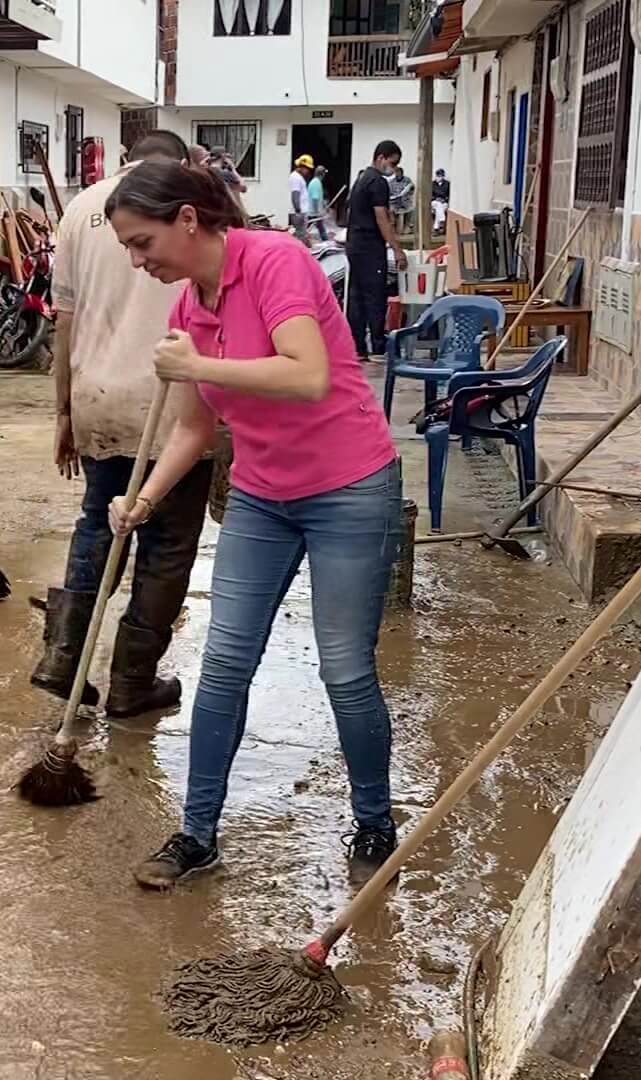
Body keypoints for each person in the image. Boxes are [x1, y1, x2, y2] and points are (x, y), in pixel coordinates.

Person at [103, 162, 402, 890]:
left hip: (349, 486)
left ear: (187, 218)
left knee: (345, 668)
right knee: (226, 665)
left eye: (142, 244)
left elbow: (308, 376)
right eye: (128, 250)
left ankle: (375, 824)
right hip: (262, 497)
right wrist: (143, 497)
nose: (139, 263)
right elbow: (195, 429)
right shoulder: (188, 311)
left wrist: (202, 361)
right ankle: (197, 832)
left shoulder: (276, 261)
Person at [34, 129, 212, 718]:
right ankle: (133, 682)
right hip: (172, 399)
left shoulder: (84, 206)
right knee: (166, 545)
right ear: (179, 169)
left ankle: (63, 659)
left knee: (98, 523)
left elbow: (64, 319)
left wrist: (62, 409)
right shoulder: (197, 215)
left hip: (97, 394)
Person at [345, 140, 411, 360]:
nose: (392, 168)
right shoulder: (377, 182)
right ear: (381, 157)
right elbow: (381, 218)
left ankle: (358, 347)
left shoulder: (361, 179)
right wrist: (397, 249)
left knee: (357, 297)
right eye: (392, 163)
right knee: (374, 296)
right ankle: (378, 347)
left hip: (354, 244)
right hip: (369, 247)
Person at [288, 154, 315, 235]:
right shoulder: (295, 177)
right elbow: (295, 195)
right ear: (302, 167)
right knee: (300, 236)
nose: (308, 171)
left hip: (301, 212)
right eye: (307, 169)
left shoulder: (298, 177)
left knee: (301, 235)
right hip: (299, 213)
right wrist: (298, 212)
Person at [306, 164, 331, 245]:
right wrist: (318, 212)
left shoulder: (314, 182)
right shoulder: (316, 183)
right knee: (321, 229)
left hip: (312, 211)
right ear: (322, 174)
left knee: (316, 228)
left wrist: (324, 205)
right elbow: (315, 198)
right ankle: (326, 243)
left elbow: (318, 198)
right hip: (313, 212)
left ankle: (326, 241)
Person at [431, 168, 451, 234]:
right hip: (435, 201)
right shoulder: (432, 184)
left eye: (440, 176)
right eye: (438, 175)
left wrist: (444, 199)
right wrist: (436, 198)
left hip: (444, 202)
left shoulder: (447, 184)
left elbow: (449, 194)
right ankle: (442, 220)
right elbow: (430, 194)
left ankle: (436, 228)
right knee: (438, 205)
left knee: (439, 209)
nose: (439, 177)